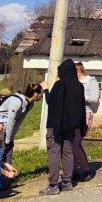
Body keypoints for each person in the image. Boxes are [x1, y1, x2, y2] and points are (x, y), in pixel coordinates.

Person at [40, 58, 85, 194]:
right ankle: (67, 182)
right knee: (67, 152)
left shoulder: (59, 85)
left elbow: (50, 102)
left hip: (55, 124)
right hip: (71, 126)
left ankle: (53, 185)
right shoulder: (79, 86)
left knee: (54, 152)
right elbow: (81, 107)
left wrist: (46, 90)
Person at [0, 82, 44, 165]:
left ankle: (7, 177)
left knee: (8, 155)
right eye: (41, 93)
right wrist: (7, 141)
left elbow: (19, 121)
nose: (42, 96)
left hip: (8, 132)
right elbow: (10, 121)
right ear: (35, 94)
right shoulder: (17, 102)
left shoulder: (30, 104)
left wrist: (11, 137)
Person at [72, 63, 100, 182]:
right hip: (74, 114)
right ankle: (73, 169)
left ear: (78, 72)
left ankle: (85, 168)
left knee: (76, 143)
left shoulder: (91, 81)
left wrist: (79, 94)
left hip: (86, 113)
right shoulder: (74, 83)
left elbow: (94, 98)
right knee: (72, 143)